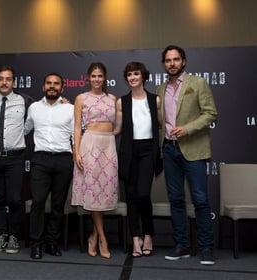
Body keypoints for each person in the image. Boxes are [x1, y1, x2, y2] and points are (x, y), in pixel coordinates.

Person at [157, 45, 217, 265]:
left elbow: (210, 113)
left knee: (200, 200)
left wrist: (188, 128)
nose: (172, 63)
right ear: (164, 64)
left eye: (176, 59)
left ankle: (207, 248)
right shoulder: (161, 88)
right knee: (176, 200)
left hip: (193, 149)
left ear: (184, 61)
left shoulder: (197, 83)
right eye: (168, 60)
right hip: (170, 150)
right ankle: (182, 245)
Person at [0, 66, 33, 254]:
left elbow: (33, 122)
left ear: (14, 82)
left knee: (15, 198)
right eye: (1, 79)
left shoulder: (25, 101)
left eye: (8, 79)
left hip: (15, 157)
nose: (4, 82)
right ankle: (1, 236)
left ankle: (14, 237)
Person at [114, 62, 162, 258]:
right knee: (131, 195)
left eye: (136, 73)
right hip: (128, 151)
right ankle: (136, 238)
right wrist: (93, 132)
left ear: (143, 76)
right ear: (126, 78)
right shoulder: (121, 102)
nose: (133, 77)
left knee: (143, 193)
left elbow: (162, 124)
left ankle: (148, 234)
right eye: (129, 75)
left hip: (148, 150)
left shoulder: (155, 100)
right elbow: (116, 129)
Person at [24, 73, 74, 259]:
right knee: (37, 202)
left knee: (58, 204)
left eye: (56, 84)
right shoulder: (34, 108)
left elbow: (76, 135)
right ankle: (36, 244)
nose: (52, 86)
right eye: (49, 83)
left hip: (64, 160)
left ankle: (52, 242)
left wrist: (76, 156)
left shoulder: (70, 109)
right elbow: (25, 129)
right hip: (40, 159)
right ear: (43, 86)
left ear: (62, 88)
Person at [71, 62, 118, 259]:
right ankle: (102, 238)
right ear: (88, 78)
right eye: (93, 76)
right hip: (88, 144)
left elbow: (118, 125)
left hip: (108, 145)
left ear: (104, 78)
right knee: (92, 192)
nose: (97, 79)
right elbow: (76, 127)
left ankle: (94, 235)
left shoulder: (113, 99)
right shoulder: (81, 98)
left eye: (100, 76)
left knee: (103, 192)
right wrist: (76, 152)